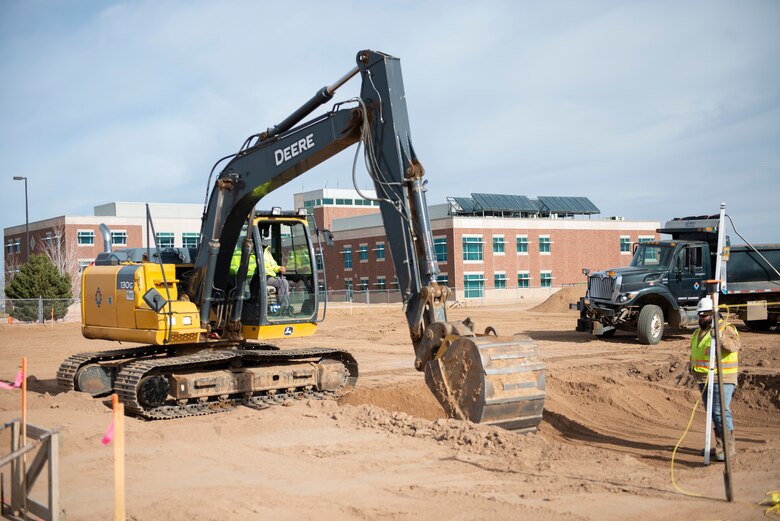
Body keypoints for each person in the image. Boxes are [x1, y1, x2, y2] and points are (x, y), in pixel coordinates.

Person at [690, 295, 740, 461]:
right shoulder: (699, 332)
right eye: (700, 315)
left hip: (723, 377)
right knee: (713, 413)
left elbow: (734, 346)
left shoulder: (725, 328)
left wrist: (720, 338)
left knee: (720, 411)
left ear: (713, 313)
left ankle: (728, 447)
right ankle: (720, 445)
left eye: (705, 315)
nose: (702, 318)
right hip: (704, 379)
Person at [263, 238, 291, 314]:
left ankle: (284, 308)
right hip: (254, 277)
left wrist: (279, 268)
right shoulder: (246, 251)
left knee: (283, 282)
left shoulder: (266, 252)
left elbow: (273, 265)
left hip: (267, 277)